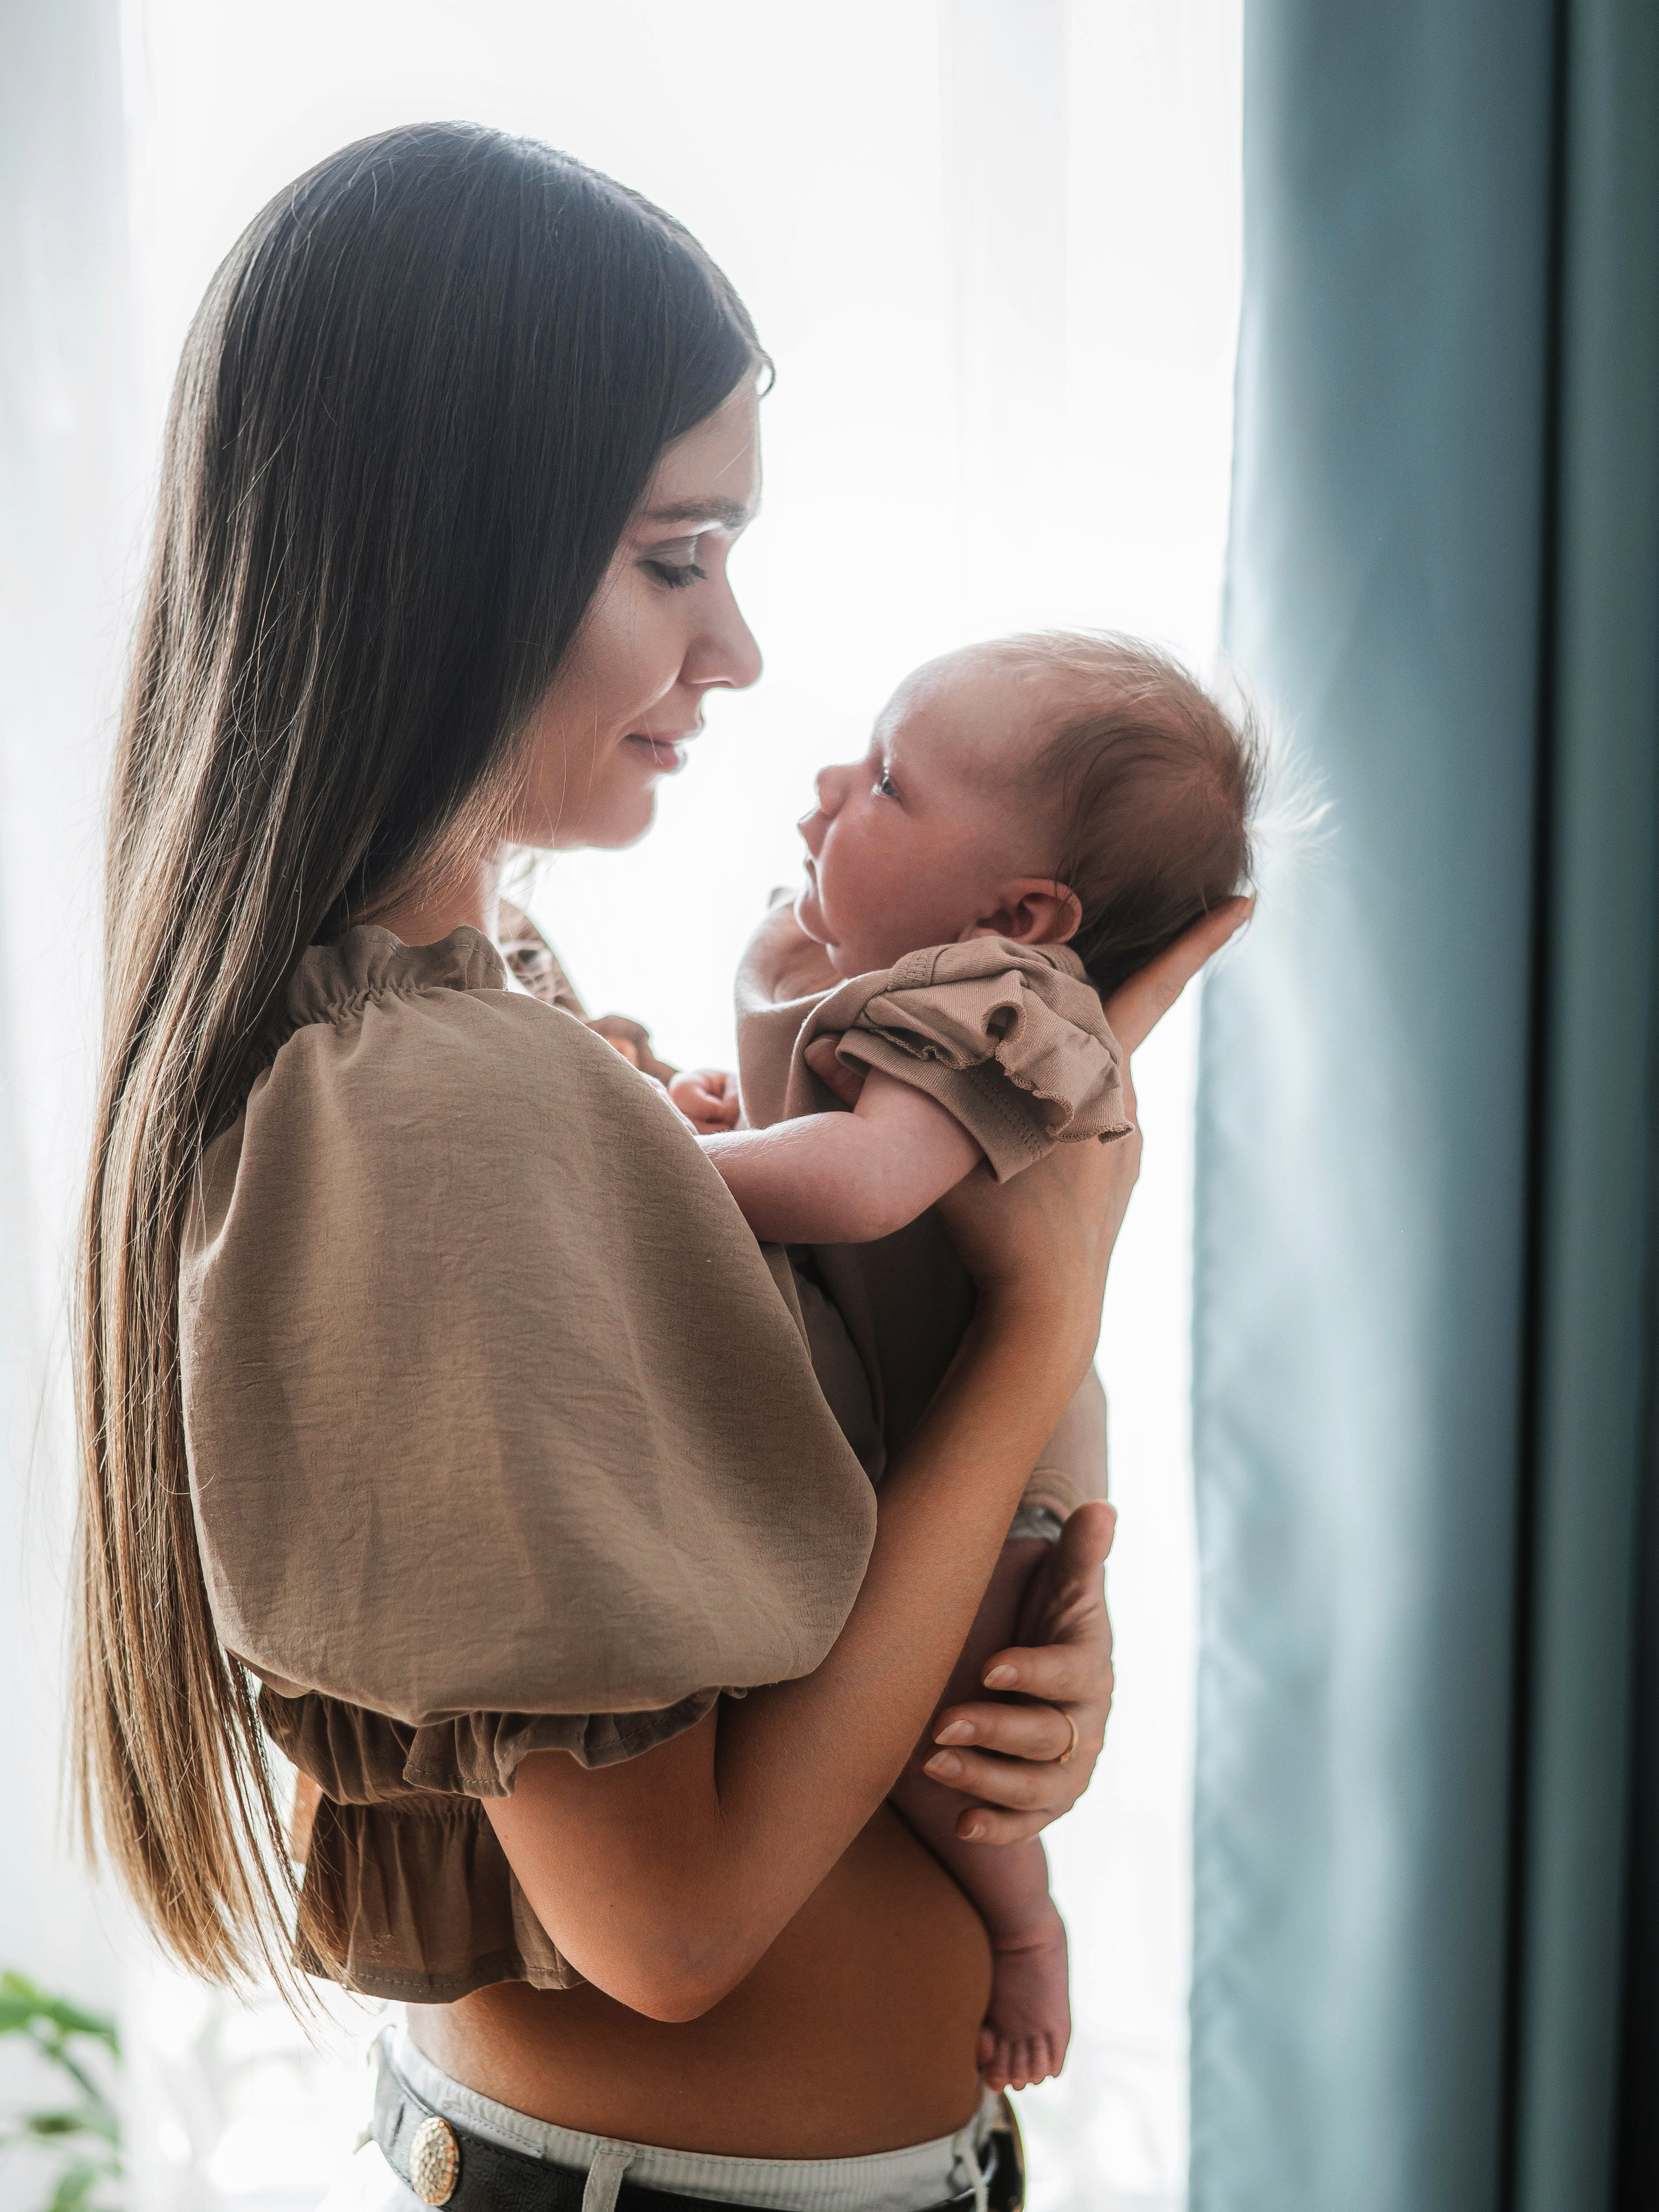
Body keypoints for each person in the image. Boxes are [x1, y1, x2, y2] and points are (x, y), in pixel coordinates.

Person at [71, 124, 1243, 2212]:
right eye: (672, 560)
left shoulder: (493, 1016)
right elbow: (675, 1923)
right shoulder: (441, 1110)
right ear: (451, 560)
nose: (739, 656)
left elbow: (748, 1655)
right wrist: (1040, 1319)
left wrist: (1004, 1699)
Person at [667, 633, 1259, 2093]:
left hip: (990, 1480)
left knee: (953, 1735)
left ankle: (1025, 1931)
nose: (827, 785)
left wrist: (653, 1156)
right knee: (945, 1714)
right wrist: (718, 1115)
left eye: (884, 782)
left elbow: (865, 1185)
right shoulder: (927, 994)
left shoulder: (1003, 1002)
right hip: (925, 1430)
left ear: (1021, 909)